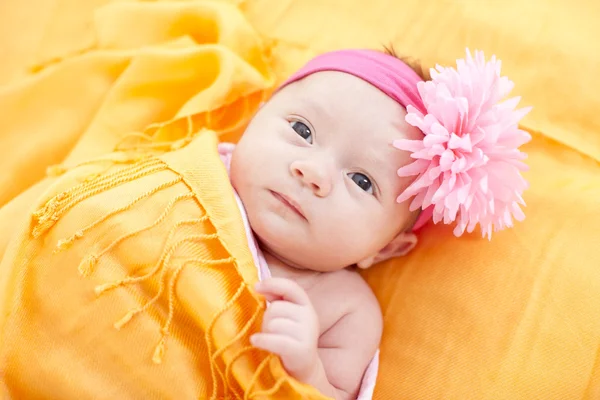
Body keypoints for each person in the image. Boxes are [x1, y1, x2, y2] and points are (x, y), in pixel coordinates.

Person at [219, 47, 532, 399]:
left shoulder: (345, 309)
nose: (314, 172)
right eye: (302, 130)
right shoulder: (206, 167)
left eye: (361, 181)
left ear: (385, 249)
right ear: (257, 118)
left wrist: (307, 368)